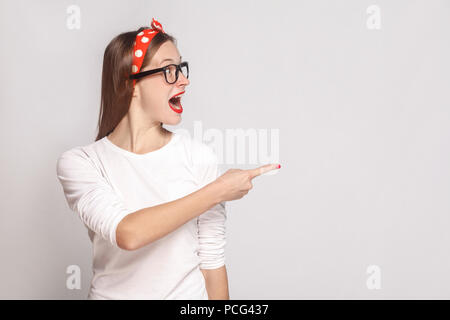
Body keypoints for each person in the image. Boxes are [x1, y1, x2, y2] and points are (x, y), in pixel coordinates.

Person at [56, 18, 281, 300]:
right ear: (131, 83)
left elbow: (212, 263)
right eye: (169, 70)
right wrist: (218, 190)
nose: (184, 80)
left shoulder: (198, 156)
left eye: (181, 68)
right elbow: (128, 233)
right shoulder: (81, 163)